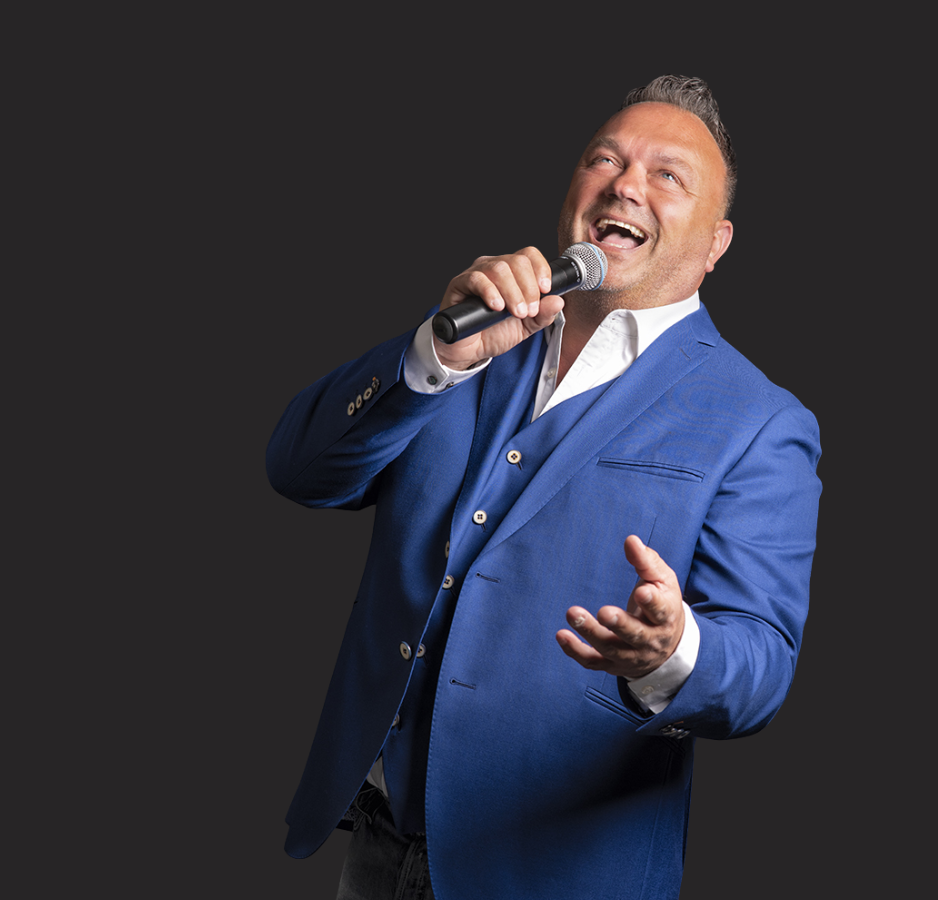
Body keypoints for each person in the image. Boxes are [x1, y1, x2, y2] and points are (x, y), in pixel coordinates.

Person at [266, 74, 821, 900]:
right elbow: (300, 470)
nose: (625, 184)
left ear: (716, 244)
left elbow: (761, 669)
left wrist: (674, 652)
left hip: (556, 870)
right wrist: (432, 357)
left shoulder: (759, 419)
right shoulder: (472, 335)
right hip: (376, 837)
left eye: (668, 175)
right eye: (605, 159)